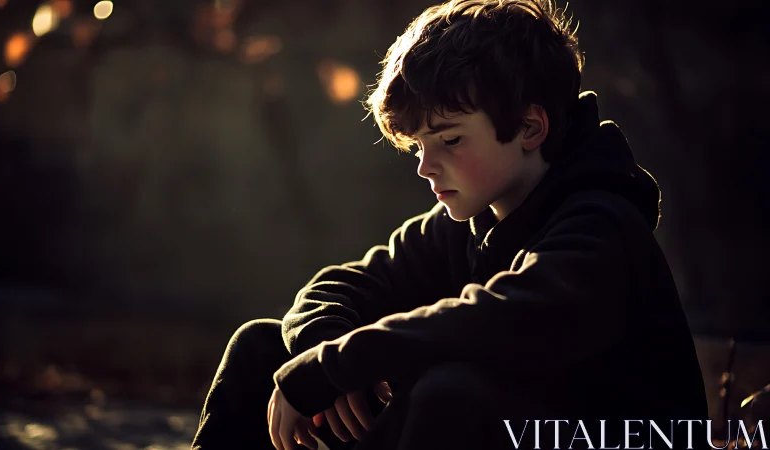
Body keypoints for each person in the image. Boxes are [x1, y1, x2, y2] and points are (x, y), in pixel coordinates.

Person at [192, 0, 710, 449]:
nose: (425, 166)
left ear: (530, 127)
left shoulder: (602, 227)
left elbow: (498, 321)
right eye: (418, 145)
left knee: (450, 393)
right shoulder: (466, 222)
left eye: (450, 140)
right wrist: (327, 356)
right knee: (262, 350)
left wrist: (336, 366)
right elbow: (340, 286)